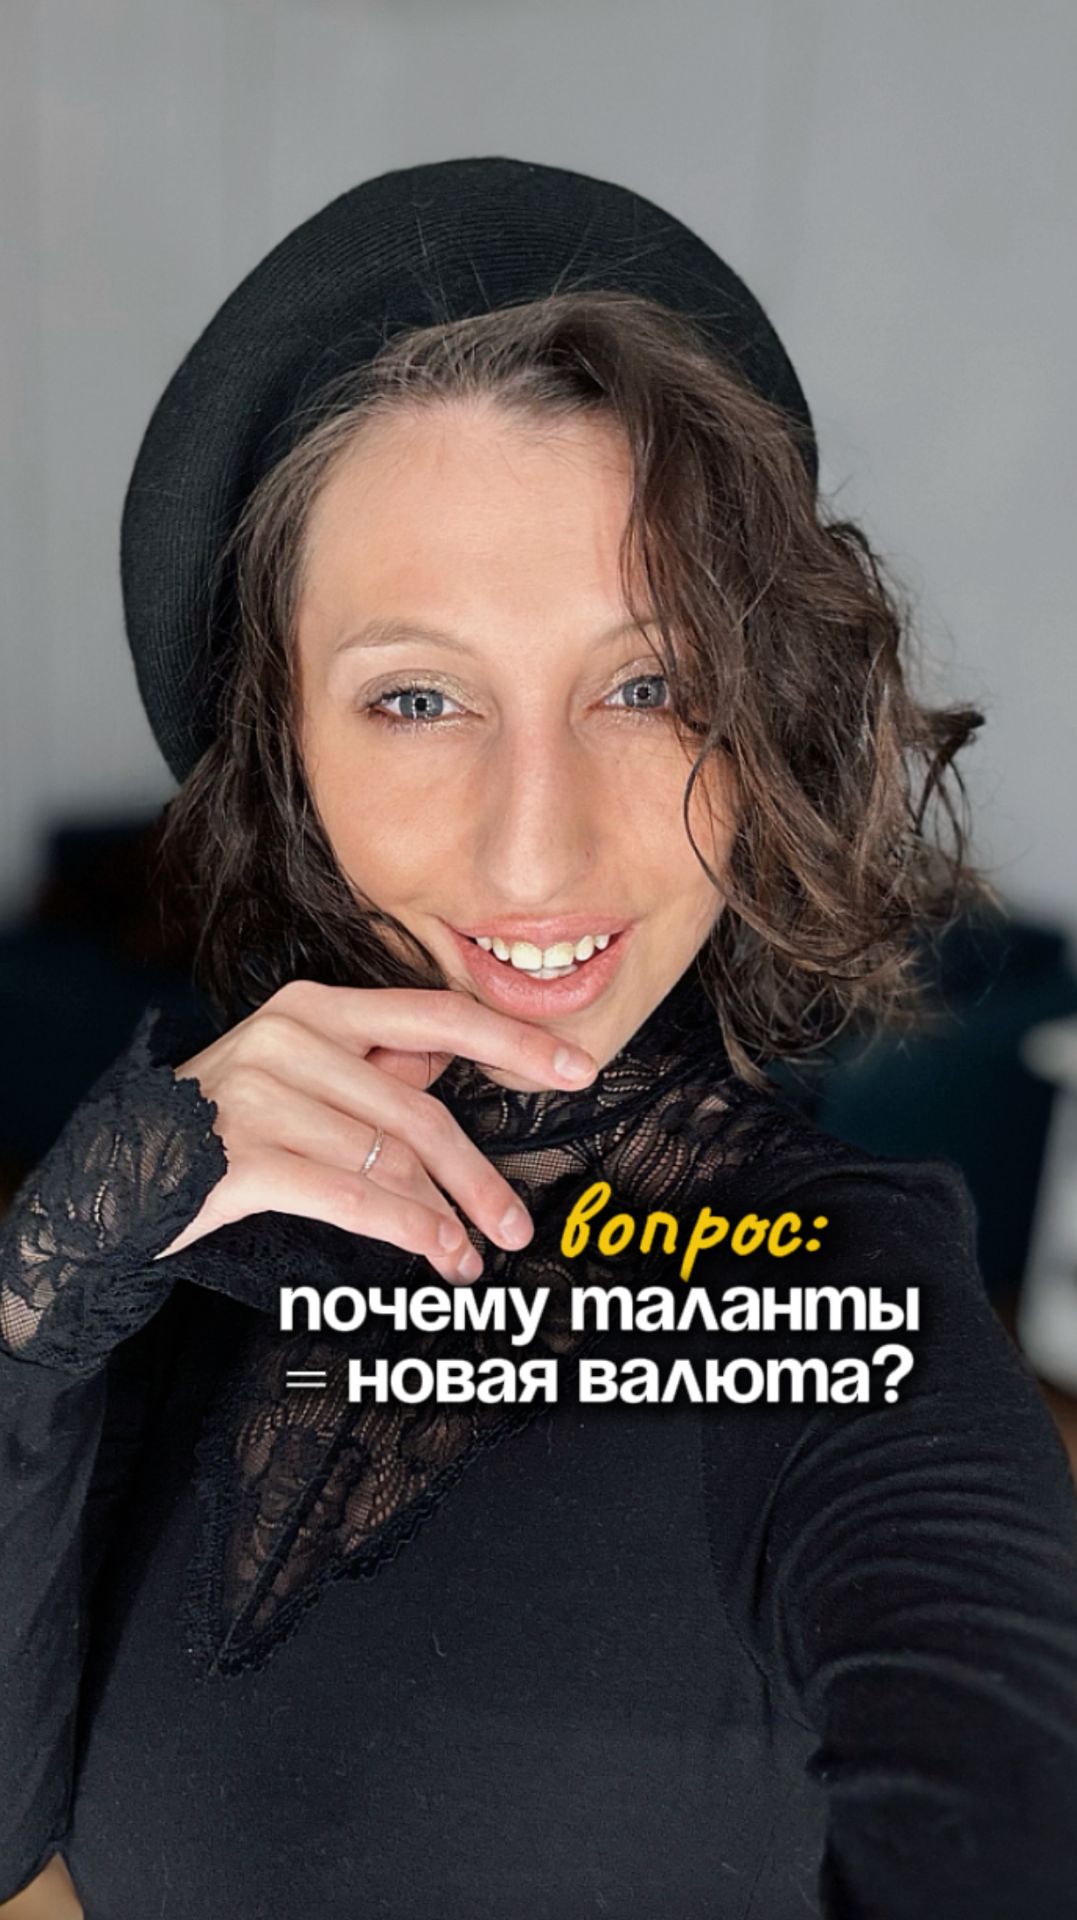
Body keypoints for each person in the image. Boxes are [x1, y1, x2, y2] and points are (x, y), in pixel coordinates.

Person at [2, 156, 1076, 1920]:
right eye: (418, 698)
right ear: (284, 746)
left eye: (646, 686)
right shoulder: (177, 1222)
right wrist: (41, 1320)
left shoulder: (834, 1301)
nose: (533, 851)